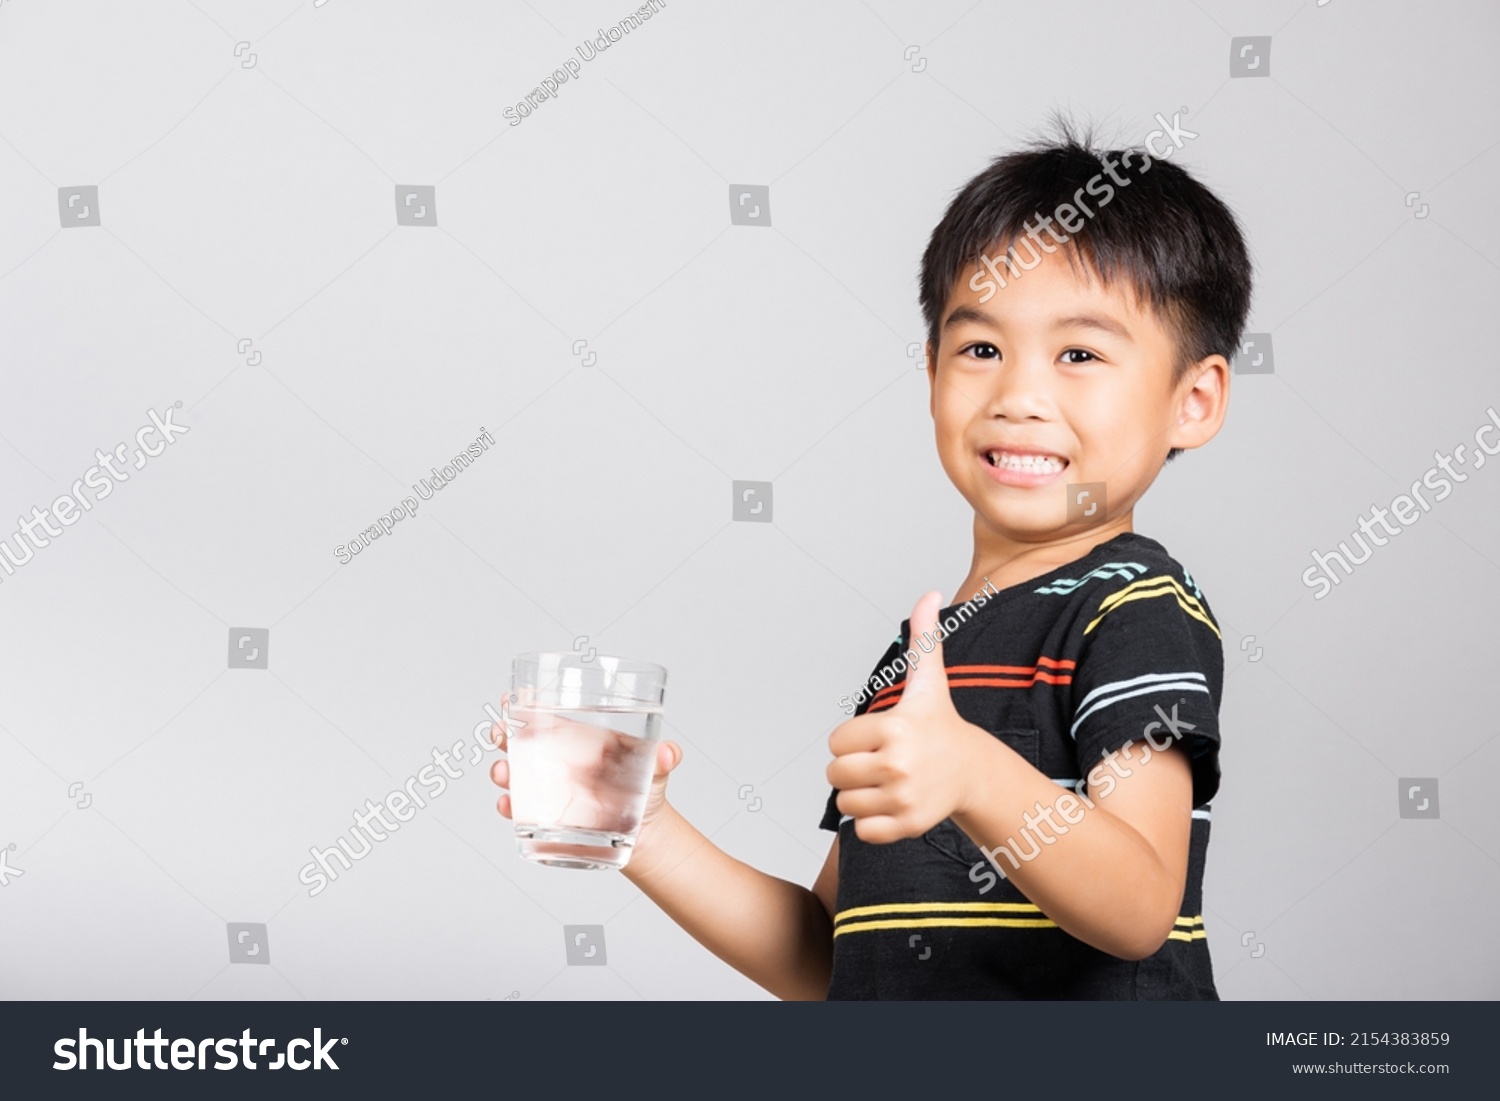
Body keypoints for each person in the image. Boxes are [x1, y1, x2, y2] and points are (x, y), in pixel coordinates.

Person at [490, 120, 1251, 999]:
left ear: (1193, 400)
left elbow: (1139, 902)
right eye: (981, 349)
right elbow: (826, 957)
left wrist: (972, 771)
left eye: (1079, 353)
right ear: (932, 372)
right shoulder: (926, 654)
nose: (1020, 395)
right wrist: (640, 826)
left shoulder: (1135, 607)